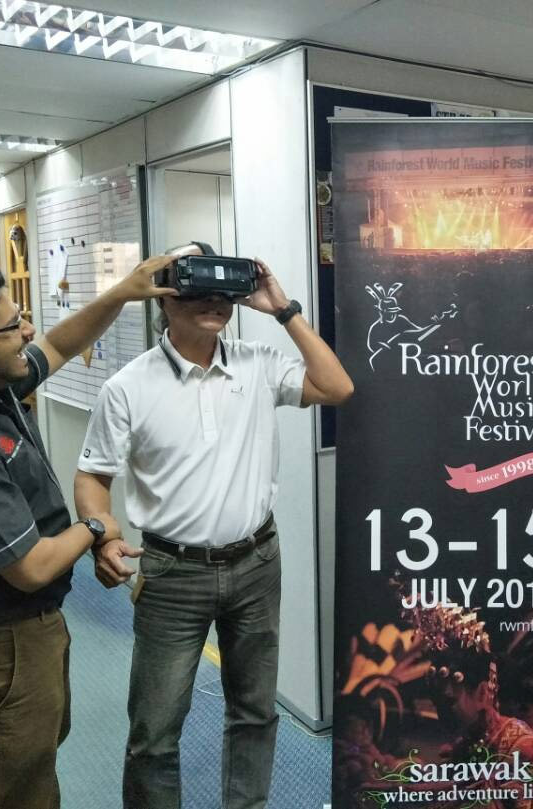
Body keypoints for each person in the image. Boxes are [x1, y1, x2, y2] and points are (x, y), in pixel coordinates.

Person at [0, 255, 176, 809]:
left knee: (26, 772)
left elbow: (61, 344)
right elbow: (32, 567)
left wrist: (122, 293)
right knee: (4, 788)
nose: (27, 330)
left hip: (11, 635)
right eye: (13, 324)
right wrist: (95, 524)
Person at [73, 244, 354, 809]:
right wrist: (100, 530)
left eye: (224, 289)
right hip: (171, 574)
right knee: (155, 731)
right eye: (193, 286)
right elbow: (92, 476)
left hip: (256, 564)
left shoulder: (258, 362)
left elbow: (337, 388)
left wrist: (282, 309)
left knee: (254, 712)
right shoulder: (127, 386)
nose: (213, 300)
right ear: (161, 297)